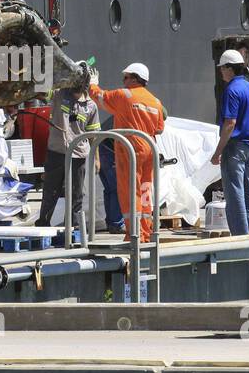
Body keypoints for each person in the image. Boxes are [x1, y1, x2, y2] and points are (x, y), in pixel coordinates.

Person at [89, 62, 166, 243]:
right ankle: (146, 233)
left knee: (129, 191)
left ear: (134, 78)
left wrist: (92, 83)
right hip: (150, 147)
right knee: (145, 189)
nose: (123, 81)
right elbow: (159, 128)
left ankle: (134, 233)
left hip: (130, 148)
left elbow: (100, 97)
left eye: (125, 77)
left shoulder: (124, 95)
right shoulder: (156, 101)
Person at [211, 49, 249, 236]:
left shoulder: (232, 91)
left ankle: (241, 237)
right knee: (248, 191)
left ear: (229, 68)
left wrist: (218, 151)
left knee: (235, 194)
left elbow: (230, 123)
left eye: (222, 68)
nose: (221, 72)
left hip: (234, 147)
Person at [36, 83, 99, 237]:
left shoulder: (91, 106)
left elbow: (93, 135)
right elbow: (40, 91)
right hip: (56, 152)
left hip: (78, 155)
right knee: (51, 190)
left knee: (77, 193)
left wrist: (97, 159)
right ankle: (43, 225)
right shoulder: (59, 94)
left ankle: (72, 228)